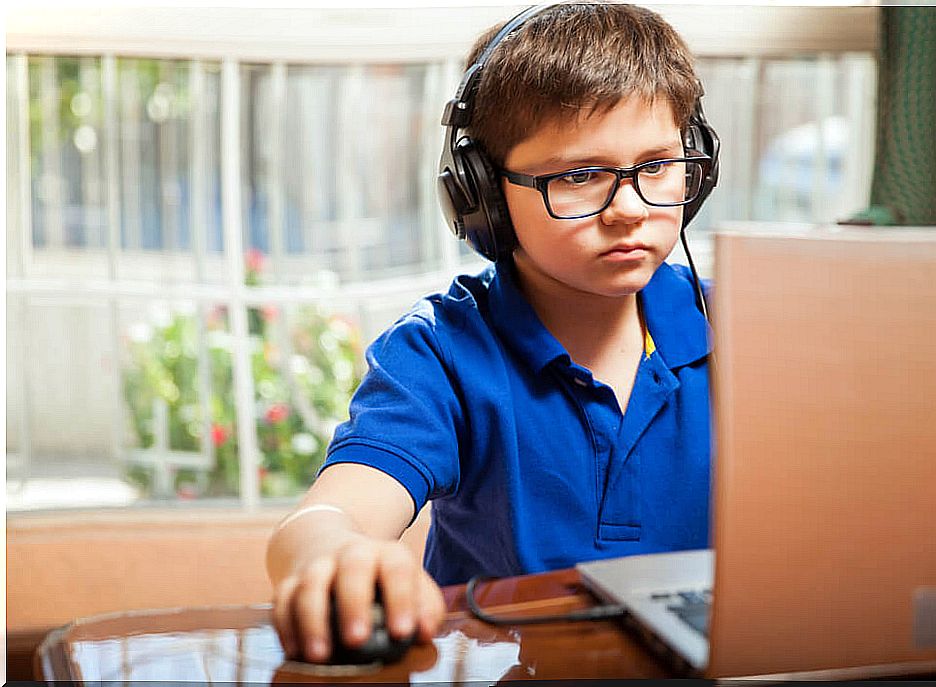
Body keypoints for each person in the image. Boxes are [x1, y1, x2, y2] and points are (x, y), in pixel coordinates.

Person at [266, 1, 718, 664]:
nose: (629, 209)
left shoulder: (744, 330)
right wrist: (339, 554)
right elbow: (326, 517)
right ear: (481, 195)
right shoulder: (440, 352)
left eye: (655, 166)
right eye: (580, 175)